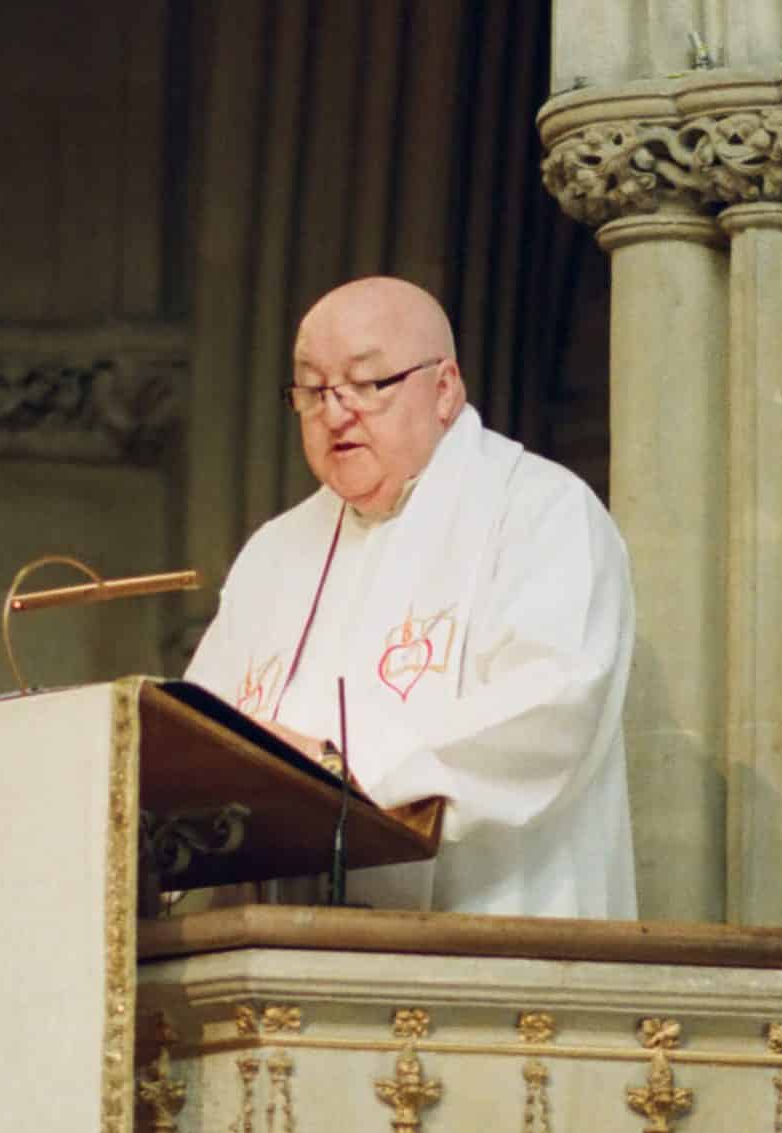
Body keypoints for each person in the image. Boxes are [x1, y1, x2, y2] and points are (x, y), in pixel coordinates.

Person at [184, 276, 637, 920]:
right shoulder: (274, 552)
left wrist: (339, 768)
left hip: (490, 941)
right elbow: (205, 731)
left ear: (444, 388)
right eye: (313, 391)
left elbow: (551, 709)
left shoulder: (541, 512)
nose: (336, 413)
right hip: (283, 950)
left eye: (368, 385)